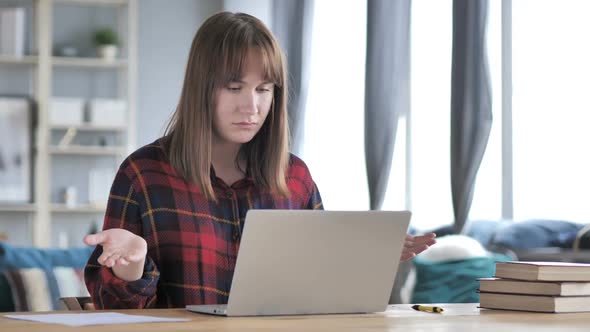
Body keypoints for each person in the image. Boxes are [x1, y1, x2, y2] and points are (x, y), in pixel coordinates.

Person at [83, 11, 436, 309]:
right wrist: (133, 267)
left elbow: (318, 288)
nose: (251, 107)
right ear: (201, 88)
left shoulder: (295, 178)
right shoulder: (144, 175)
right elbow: (112, 313)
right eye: (234, 88)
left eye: (264, 89)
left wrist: (368, 256)